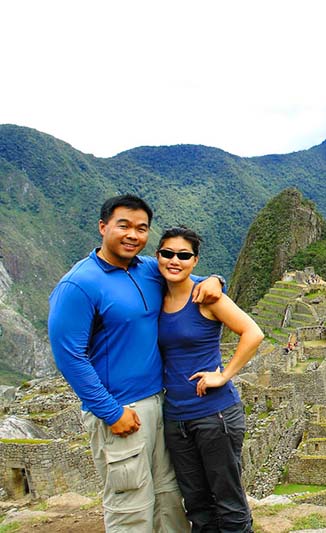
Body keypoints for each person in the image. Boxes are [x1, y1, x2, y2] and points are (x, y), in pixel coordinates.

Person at [48, 194, 224, 532]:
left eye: (141, 229)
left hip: (162, 403)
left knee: (169, 496)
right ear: (103, 227)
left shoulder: (147, 270)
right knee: (131, 503)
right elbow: (69, 356)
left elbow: (187, 277)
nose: (133, 235)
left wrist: (216, 279)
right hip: (121, 406)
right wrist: (110, 412)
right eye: (123, 226)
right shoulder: (79, 284)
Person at [156, 226, 264, 532]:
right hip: (176, 418)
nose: (174, 260)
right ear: (158, 256)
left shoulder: (205, 296)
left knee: (227, 499)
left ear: (194, 260)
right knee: (196, 503)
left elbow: (253, 333)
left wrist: (224, 375)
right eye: (167, 253)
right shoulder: (156, 294)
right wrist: (219, 278)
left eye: (183, 255)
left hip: (214, 415)